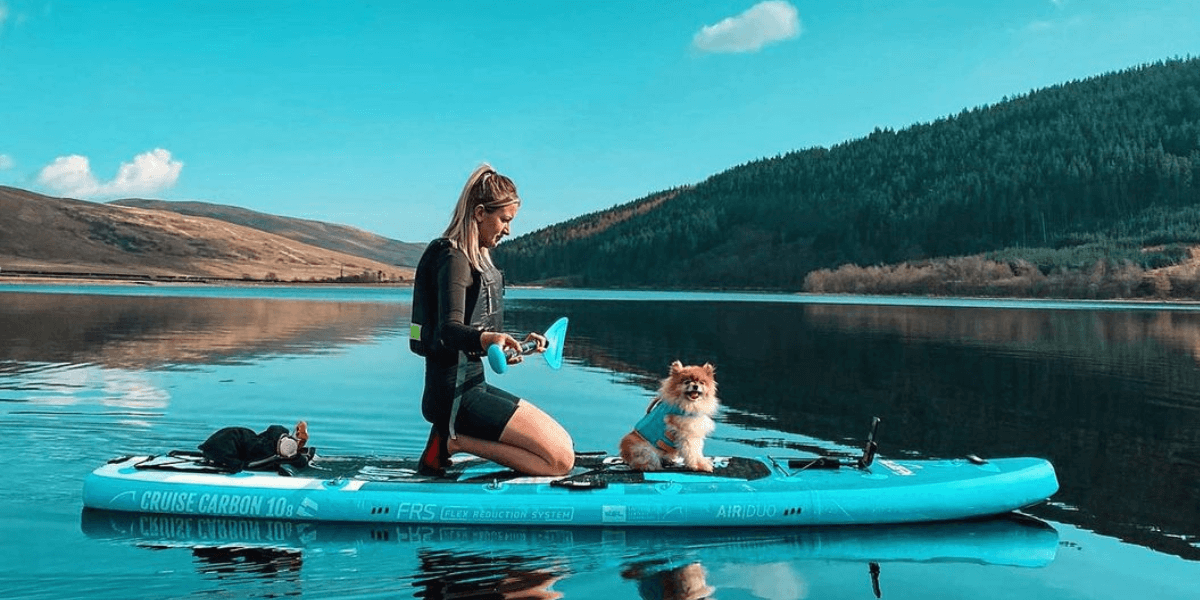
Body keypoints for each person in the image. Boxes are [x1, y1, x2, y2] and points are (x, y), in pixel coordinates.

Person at [409, 163, 575, 477]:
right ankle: (451, 442)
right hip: (454, 398)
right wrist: (487, 340)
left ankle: (448, 440)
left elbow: (470, 337)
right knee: (559, 462)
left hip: (474, 386)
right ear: (480, 213)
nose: (508, 230)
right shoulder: (453, 259)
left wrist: (510, 346)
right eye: (505, 220)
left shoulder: (475, 261)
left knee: (564, 446)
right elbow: (448, 331)